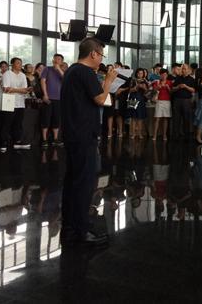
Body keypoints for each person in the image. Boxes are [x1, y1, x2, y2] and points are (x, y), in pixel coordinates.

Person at [60, 38, 117, 246]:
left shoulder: (72, 71)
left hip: (73, 133)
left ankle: (70, 228)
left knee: (73, 182)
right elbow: (100, 99)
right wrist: (109, 80)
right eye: (101, 55)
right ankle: (81, 231)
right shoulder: (85, 72)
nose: (101, 59)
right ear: (93, 53)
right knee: (84, 184)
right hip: (83, 134)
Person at [1, 58, 32, 152]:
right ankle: (3, 143)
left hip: (20, 102)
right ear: (12, 64)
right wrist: (20, 90)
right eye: (18, 63)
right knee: (7, 123)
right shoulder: (7, 74)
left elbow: (25, 90)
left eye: (21, 63)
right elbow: (6, 89)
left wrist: (14, 89)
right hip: (9, 101)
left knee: (18, 123)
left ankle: (17, 142)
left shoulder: (23, 75)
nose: (20, 65)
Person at [40, 54, 65, 147]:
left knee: (56, 119)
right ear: (53, 60)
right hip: (48, 98)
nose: (56, 60)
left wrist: (58, 69)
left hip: (59, 99)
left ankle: (55, 139)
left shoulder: (63, 71)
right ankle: (44, 139)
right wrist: (45, 94)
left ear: (61, 62)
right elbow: (43, 81)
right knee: (46, 119)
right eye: (55, 58)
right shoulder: (47, 69)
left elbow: (66, 80)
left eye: (59, 59)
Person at [171, 64, 196, 139]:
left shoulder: (191, 79)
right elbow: (172, 89)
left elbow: (193, 90)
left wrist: (186, 86)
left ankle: (186, 136)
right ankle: (176, 135)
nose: (183, 70)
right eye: (182, 69)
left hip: (186, 101)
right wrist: (178, 87)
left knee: (186, 119)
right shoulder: (178, 78)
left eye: (185, 69)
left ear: (188, 70)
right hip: (177, 100)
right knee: (176, 119)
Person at [127, 68, 148, 139]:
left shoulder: (145, 81)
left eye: (141, 73)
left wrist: (144, 88)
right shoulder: (133, 80)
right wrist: (136, 87)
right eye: (139, 73)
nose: (140, 74)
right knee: (133, 118)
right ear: (136, 73)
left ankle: (140, 134)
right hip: (133, 99)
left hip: (141, 100)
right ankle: (133, 134)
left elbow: (147, 92)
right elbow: (129, 90)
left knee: (140, 118)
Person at [152, 69, 172, 140]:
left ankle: (164, 135)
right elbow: (153, 91)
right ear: (160, 75)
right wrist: (158, 87)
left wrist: (168, 88)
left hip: (167, 101)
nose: (164, 76)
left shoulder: (169, 82)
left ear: (167, 75)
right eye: (162, 74)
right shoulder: (157, 82)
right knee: (157, 118)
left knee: (165, 119)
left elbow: (172, 92)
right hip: (159, 101)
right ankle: (154, 135)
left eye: (165, 75)